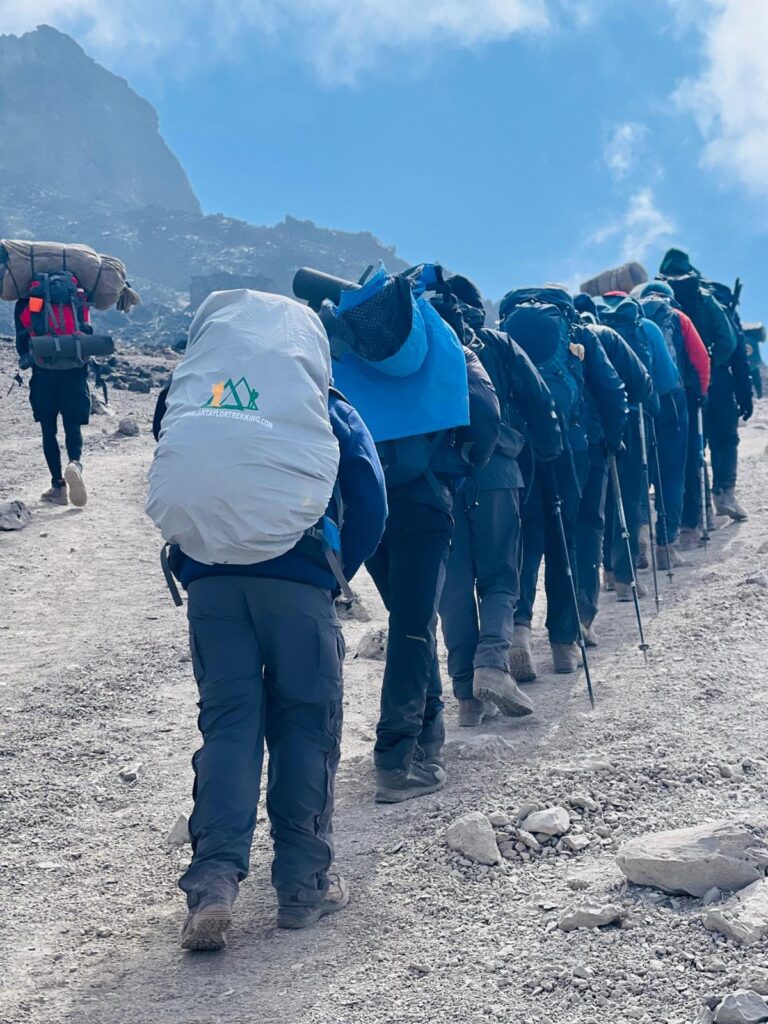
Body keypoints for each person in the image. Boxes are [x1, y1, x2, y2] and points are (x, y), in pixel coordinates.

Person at [149, 291, 388, 949]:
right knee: (306, 725)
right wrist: (335, 573)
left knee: (229, 727)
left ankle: (214, 885)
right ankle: (303, 888)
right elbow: (370, 497)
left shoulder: (196, 393)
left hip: (211, 586)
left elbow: (173, 458)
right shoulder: (325, 405)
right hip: (298, 582)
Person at [366, 338, 500, 800]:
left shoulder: (342, 344)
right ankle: (395, 761)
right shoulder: (440, 341)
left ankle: (428, 742)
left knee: (407, 618)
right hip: (423, 499)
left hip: (365, 497)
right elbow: (485, 415)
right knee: (413, 622)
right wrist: (457, 466)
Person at [433, 275, 562, 726]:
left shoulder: (424, 344)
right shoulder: (499, 344)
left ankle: (467, 695)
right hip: (497, 472)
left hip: (438, 481)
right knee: (501, 575)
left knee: (454, 585)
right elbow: (539, 398)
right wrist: (547, 449)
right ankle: (492, 664)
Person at [500, 287, 628, 679]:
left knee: (526, 537)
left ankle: (518, 632)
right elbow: (611, 388)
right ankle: (563, 643)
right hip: (571, 449)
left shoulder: (504, 332)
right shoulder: (579, 332)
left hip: (520, 449)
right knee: (565, 538)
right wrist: (613, 437)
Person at [573, 295, 655, 644]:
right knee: (625, 498)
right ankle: (624, 579)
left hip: (573, 439)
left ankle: (602, 578)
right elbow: (637, 384)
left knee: (588, 513)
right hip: (614, 431)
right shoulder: (606, 334)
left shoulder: (559, 339)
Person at [634, 281, 711, 564]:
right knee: (673, 472)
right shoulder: (678, 318)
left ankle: (639, 534)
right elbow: (701, 358)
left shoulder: (633, 319)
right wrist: (701, 393)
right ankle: (666, 545)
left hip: (640, 403)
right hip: (673, 400)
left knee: (641, 470)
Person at [14, 298, 89, 507]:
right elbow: (86, 329)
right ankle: (75, 464)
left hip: (43, 370)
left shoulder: (27, 300)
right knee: (72, 424)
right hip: (74, 369)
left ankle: (58, 487)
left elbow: (22, 342)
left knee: (49, 429)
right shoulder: (74, 295)